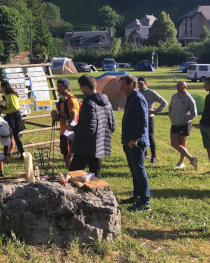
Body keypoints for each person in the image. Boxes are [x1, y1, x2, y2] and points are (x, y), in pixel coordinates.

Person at [69, 74, 116, 179]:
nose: (81, 90)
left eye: (81, 88)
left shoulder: (88, 103)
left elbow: (89, 129)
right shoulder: (107, 102)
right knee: (96, 176)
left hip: (86, 147)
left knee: (73, 174)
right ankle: (99, 195)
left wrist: (73, 127)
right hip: (100, 145)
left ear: (85, 88)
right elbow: (112, 126)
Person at [119, 75, 151, 212]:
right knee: (134, 171)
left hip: (136, 143)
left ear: (132, 85)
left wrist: (135, 139)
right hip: (129, 142)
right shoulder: (131, 98)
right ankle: (137, 196)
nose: (122, 89)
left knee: (139, 170)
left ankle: (145, 201)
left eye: (123, 86)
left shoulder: (138, 99)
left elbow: (143, 123)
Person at [50, 78, 81, 170]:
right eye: (57, 87)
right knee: (66, 155)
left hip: (69, 133)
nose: (58, 89)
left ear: (67, 87)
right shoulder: (62, 100)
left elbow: (73, 120)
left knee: (68, 156)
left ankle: (73, 174)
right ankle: (73, 173)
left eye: (60, 87)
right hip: (64, 132)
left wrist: (57, 117)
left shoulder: (72, 101)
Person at [168, 81, 199, 170]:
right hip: (174, 123)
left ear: (185, 86)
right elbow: (170, 108)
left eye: (180, 86)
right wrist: (172, 117)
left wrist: (183, 119)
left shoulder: (189, 98)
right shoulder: (174, 96)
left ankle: (181, 162)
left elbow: (194, 113)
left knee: (182, 144)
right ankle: (192, 159)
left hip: (185, 124)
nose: (178, 87)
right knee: (174, 143)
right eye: (177, 85)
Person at [137, 77, 168, 164]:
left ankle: (153, 156)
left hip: (149, 118)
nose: (139, 85)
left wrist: (155, 111)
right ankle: (144, 154)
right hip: (139, 118)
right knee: (141, 135)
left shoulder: (151, 92)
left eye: (141, 84)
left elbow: (164, 102)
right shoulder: (136, 92)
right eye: (138, 83)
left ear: (146, 84)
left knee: (150, 137)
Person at [0, 80, 26, 159]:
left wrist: (5, 111)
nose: (0, 89)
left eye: (1, 87)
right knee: (6, 135)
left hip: (14, 118)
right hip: (9, 118)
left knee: (16, 137)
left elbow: (15, 108)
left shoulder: (12, 95)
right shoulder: (6, 96)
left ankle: (22, 154)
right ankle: (5, 154)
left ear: (4, 87)